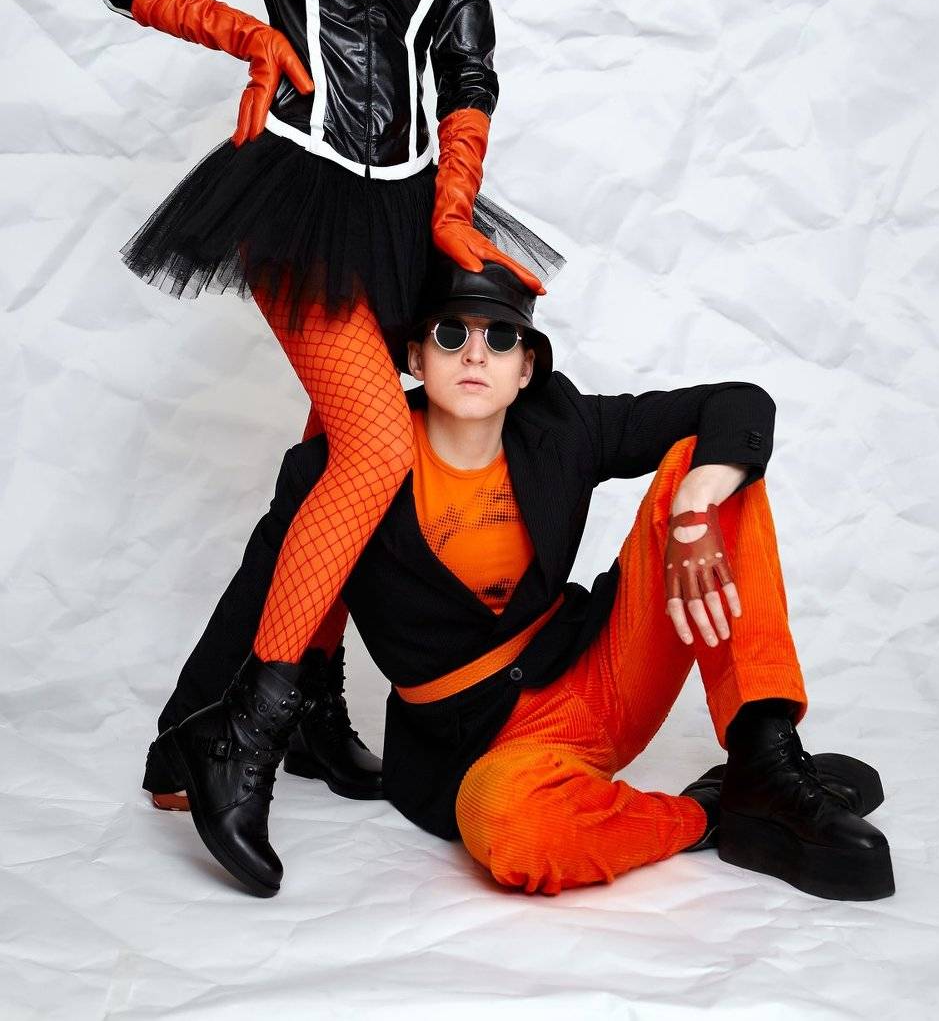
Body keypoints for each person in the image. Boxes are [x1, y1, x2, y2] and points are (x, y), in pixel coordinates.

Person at [103, 0, 564, 799]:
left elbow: (468, 72)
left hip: (407, 208)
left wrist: (451, 204)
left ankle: (292, 705)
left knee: (323, 468)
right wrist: (248, 38)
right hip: (293, 192)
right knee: (374, 449)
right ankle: (239, 739)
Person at [146, 258, 893, 902]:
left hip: (602, 674)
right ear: (414, 357)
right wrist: (180, 743)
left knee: (714, 466)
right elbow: (262, 593)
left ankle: (763, 753)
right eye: (451, 335)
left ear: (525, 368)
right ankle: (716, 813)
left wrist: (695, 504)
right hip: (483, 750)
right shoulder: (346, 471)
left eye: (500, 339)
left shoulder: (561, 425)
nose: (476, 354)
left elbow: (738, 403)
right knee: (510, 828)